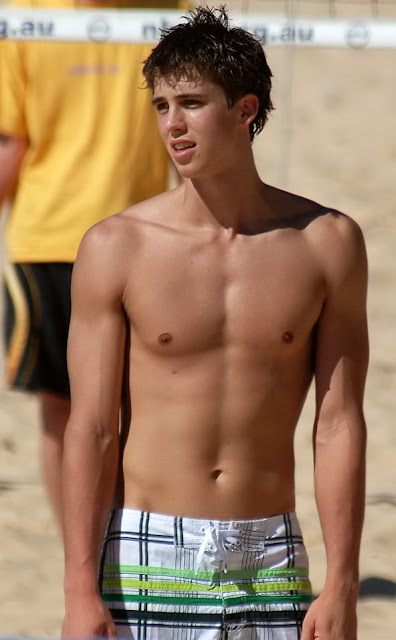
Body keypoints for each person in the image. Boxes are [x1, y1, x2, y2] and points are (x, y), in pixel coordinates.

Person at [61, 7, 369, 640]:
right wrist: (78, 591)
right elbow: (91, 427)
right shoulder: (116, 246)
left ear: (245, 109)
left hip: (271, 552)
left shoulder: (327, 243)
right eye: (161, 105)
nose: (172, 124)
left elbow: (338, 423)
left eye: (192, 103)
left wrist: (342, 582)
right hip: (147, 550)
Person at [0, 0, 189, 531]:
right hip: (48, 243)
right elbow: (11, 142)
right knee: (63, 409)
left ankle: (124, 548)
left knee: (141, 409)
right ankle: (78, 557)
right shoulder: (24, 16)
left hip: (145, 244)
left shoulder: (169, 12)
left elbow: (190, 132)